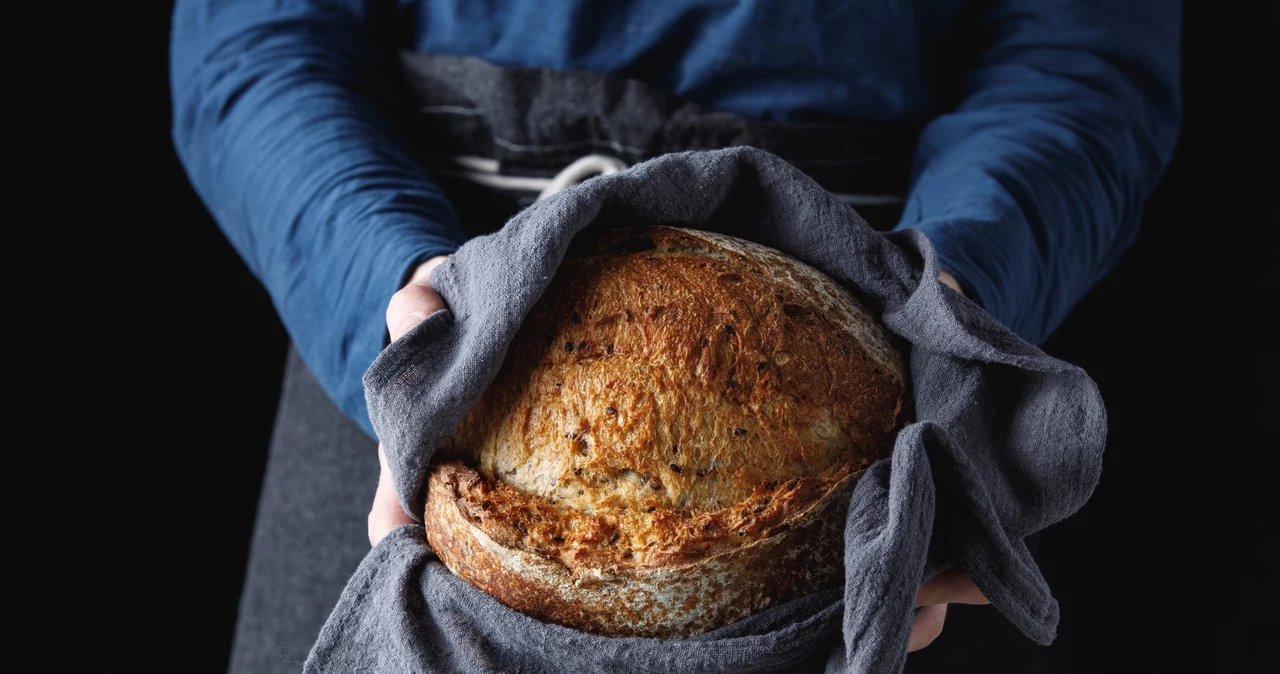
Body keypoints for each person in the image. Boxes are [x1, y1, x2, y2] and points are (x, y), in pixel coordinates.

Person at [170, 1, 1180, 671]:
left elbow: (1082, 54)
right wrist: (395, 299)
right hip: (409, 298)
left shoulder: (920, 393)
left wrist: (947, 313)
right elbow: (250, 37)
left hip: (880, 382)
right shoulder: (404, 316)